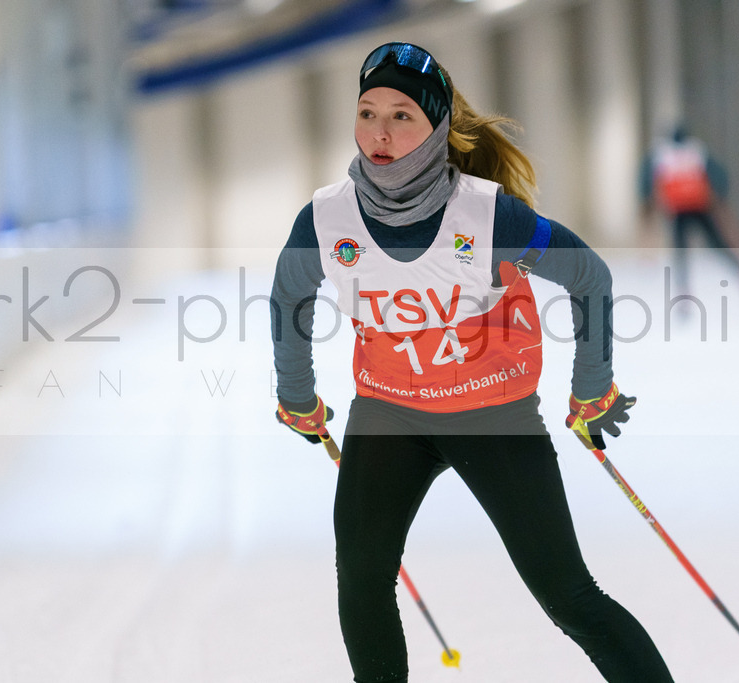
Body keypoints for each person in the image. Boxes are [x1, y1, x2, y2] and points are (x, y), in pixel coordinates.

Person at [271, 42, 674, 683]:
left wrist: (592, 387)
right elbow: (289, 297)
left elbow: (589, 277)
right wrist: (296, 394)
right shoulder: (325, 218)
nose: (379, 132)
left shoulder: (489, 215)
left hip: (494, 417)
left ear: (436, 127)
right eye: (367, 111)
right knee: (363, 580)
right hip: (389, 416)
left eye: (401, 115)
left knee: (568, 597)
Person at [639, 124, 739, 294]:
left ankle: (682, 290)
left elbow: (646, 178)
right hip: (700, 206)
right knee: (717, 243)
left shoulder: (661, 154)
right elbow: (718, 173)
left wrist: (647, 201)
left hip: (677, 210)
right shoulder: (696, 151)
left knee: (680, 249)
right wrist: (720, 196)